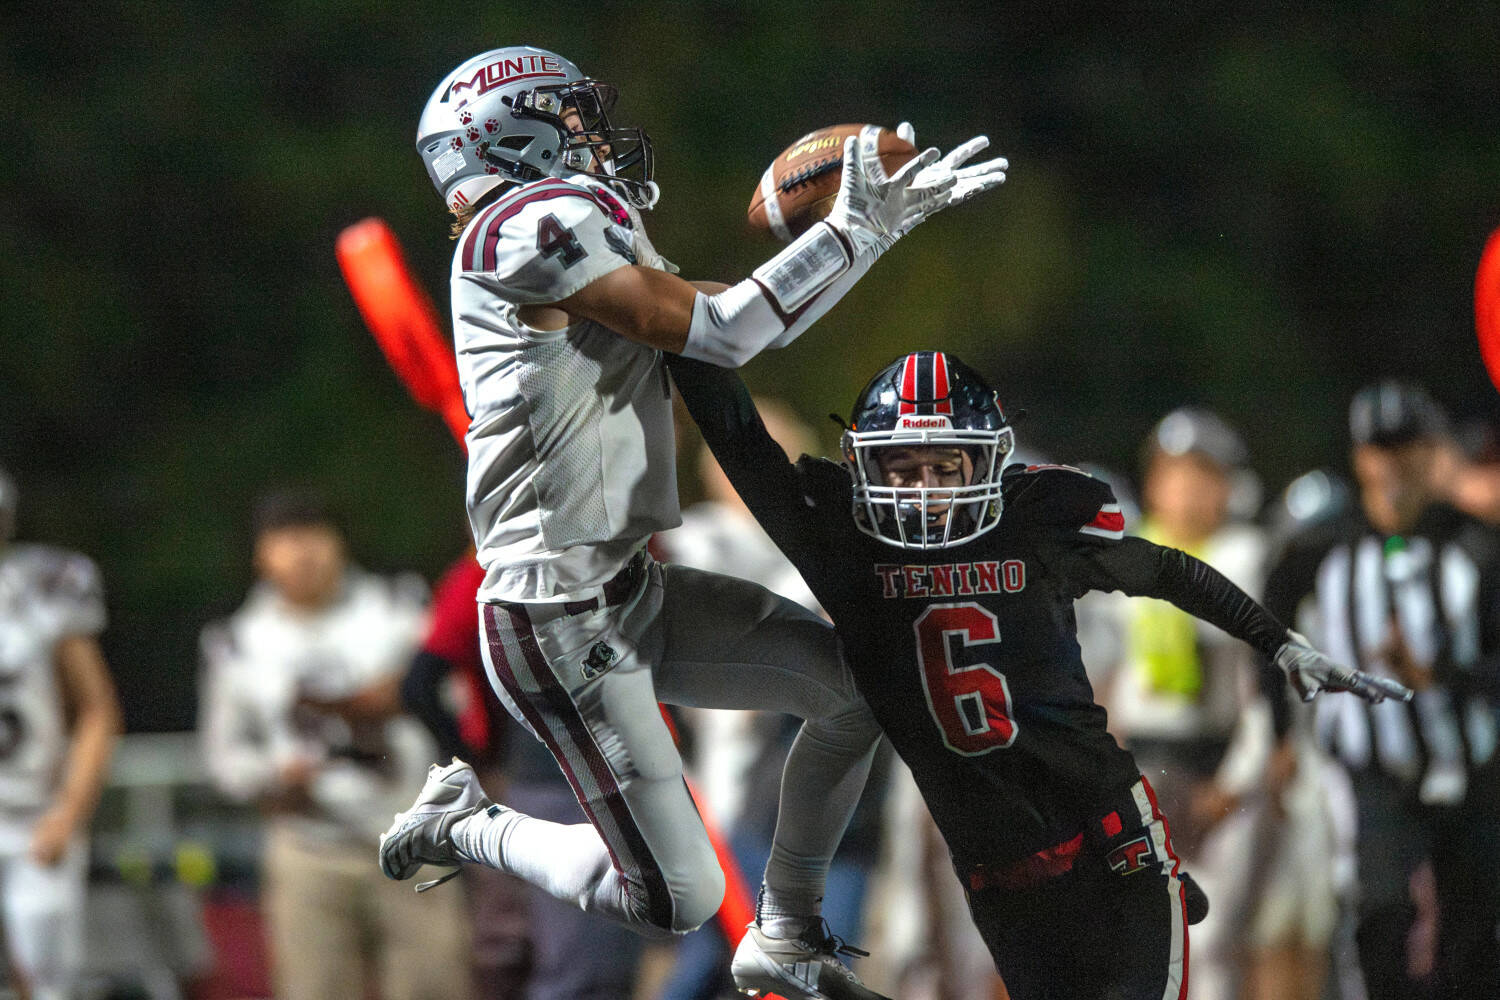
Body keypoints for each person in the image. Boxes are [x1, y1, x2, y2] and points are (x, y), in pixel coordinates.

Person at [378, 45, 1007, 1000]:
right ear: (517, 136)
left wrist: (864, 238)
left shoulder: (566, 223)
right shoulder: (525, 227)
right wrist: (852, 235)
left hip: (625, 583)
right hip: (557, 618)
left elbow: (726, 319)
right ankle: (463, 822)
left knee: (858, 689)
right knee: (674, 895)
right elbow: (723, 333)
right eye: (573, 117)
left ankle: (789, 930)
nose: (594, 134)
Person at [663, 350, 1410, 999]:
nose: (923, 488)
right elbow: (738, 437)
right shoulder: (842, 543)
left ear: (985, 461)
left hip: (1114, 850)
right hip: (996, 879)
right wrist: (672, 320)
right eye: (904, 466)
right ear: (866, 464)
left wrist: (1276, 642)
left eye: (944, 466)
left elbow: (1164, 571)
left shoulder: (1035, 521)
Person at [1269, 382, 1500, 999]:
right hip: (1368, 766)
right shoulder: (1322, 546)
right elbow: (1262, 624)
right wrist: (1277, 731)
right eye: (1379, 449)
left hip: (1469, 760)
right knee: (1380, 911)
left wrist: (1446, 677)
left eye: (1406, 447)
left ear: (1434, 453)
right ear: (1359, 458)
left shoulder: (1477, 546)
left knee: (1474, 922)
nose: (1392, 465)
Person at [198, 492, 470, 1000]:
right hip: (309, 842)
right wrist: (273, 776)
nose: (303, 553)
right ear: (261, 555)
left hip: (413, 831)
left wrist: (401, 698)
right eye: (285, 540)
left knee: (435, 986)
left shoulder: (398, 606)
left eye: (314, 535)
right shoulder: (238, 640)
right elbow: (224, 757)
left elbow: (457, 701)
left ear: (340, 542)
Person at [1091, 409, 1287, 1000]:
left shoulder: (1245, 557)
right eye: (1171, 473)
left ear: (1227, 485)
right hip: (1145, 768)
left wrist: (1237, 781)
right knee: (1137, 938)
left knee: (1216, 937)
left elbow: (1264, 691)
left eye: (1199, 475)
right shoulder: (1129, 556)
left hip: (1219, 765)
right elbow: (1107, 679)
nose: (1183, 490)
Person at [0, 466, 122, 1000]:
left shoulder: (42, 586)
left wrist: (69, 812)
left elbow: (96, 709)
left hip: (32, 816)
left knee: (47, 981)